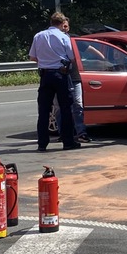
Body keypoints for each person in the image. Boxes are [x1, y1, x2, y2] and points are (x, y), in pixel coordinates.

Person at [29, 12, 81, 151]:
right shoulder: (63, 37)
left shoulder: (38, 36)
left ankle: (42, 144)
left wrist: (46, 61)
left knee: (44, 111)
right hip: (60, 75)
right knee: (66, 109)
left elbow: (32, 57)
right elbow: (71, 58)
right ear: (61, 22)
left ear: (51, 22)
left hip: (45, 76)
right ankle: (68, 142)